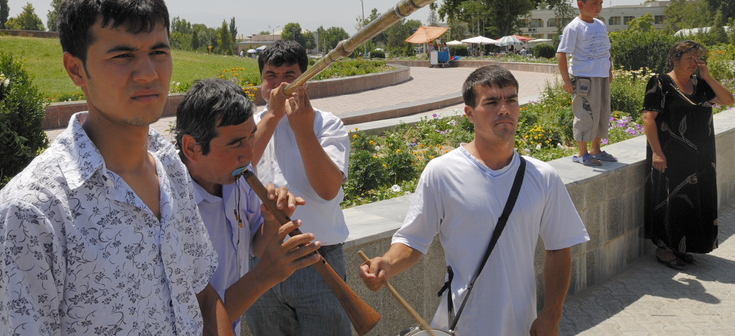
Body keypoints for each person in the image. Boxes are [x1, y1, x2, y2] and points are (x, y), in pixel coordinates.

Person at [0, 0, 233, 335]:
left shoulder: (169, 166)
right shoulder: (31, 213)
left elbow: (201, 295)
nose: (148, 73)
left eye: (158, 51)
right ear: (75, 69)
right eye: (122, 55)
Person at [359, 65, 589, 336]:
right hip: (461, 324)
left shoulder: (543, 176)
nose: (504, 109)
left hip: (521, 324)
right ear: (469, 113)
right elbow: (413, 240)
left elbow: (559, 248)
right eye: (491, 102)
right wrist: (386, 264)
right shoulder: (442, 172)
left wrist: (552, 313)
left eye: (511, 100)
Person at [174, 78, 322, 334]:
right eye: (234, 143)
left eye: (250, 138)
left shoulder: (238, 177)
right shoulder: (170, 206)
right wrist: (266, 275)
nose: (247, 154)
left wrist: (272, 220)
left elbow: (255, 245)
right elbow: (197, 322)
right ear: (192, 147)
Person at [246, 40, 352, 336]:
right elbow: (237, 168)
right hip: (260, 259)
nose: (280, 86)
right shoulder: (249, 126)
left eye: (290, 77)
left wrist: (303, 131)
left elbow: (328, 188)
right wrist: (273, 116)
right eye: (271, 77)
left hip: (318, 258)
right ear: (261, 82)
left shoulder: (327, 124)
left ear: (306, 81)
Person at [643, 40, 734, 269]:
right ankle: (664, 250)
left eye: (697, 58)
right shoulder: (660, 82)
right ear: (675, 59)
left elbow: (729, 100)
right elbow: (648, 119)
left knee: (693, 202)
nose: (694, 63)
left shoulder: (700, 85)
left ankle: (682, 246)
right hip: (670, 156)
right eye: (689, 58)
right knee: (670, 201)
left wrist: (708, 76)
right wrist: (656, 152)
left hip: (699, 158)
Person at [557, 0, 615, 167]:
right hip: (584, 78)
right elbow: (561, 53)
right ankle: (582, 153)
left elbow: (607, 50)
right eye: (594, 3)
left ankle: (595, 149)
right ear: (580, 4)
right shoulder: (574, 27)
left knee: (602, 112)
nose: (598, 7)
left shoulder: (600, 25)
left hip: (601, 76)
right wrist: (566, 80)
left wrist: (609, 70)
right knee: (585, 114)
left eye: (601, 3)